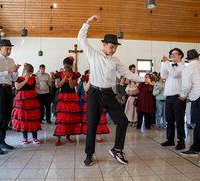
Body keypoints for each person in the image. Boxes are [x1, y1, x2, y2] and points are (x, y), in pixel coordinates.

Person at [78, 15, 152, 166]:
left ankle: (117, 149)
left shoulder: (116, 61)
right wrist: (88, 22)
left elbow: (128, 74)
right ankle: (89, 153)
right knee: (92, 125)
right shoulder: (94, 55)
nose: (113, 50)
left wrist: (144, 79)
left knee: (122, 121)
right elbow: (81, 38)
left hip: (108, 94)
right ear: (103, 45)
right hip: (94, 93)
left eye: (115, 47)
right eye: (111, 47)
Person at [0, 39, 20, 155]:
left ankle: (2, 142)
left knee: (6, 116)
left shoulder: (11, 60)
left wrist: (16, 71)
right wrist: (8, 71)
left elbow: (14, 79)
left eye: (10, 48)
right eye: (7, 48)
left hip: (8, 88)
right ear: (0, 48)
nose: (9, 50)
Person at [160, 48, 186, 150]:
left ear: (180, 55)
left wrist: (167, 63)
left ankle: (181, 141)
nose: (172, 55)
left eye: (174, 54)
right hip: (169, 97)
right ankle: (170, 139)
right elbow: (163, 75)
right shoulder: (170, 66)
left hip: (178, 97)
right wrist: (164, 64)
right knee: (169, 120)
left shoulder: (183, 67)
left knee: (179, 121)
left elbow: (175, 75)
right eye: (171, 54)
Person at [53, 57, 81, 146]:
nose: (66, 66)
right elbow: (57, 85)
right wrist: (65, 77)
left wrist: (70, 78)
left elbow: (73, 86)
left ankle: (68, 137)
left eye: (68, 65)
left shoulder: (75, 74)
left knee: (70, 118)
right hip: (63, 97)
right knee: (61, 118)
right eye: (65, 64)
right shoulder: (58, 74)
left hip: (72, 96)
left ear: (71, 65)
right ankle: (58, 138)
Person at [12, 63, 41, 144]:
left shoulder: (33, 78)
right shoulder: (19, 78)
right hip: (22, 100)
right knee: (23, 118)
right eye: (28, 72)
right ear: (24, 71)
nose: (29, 74)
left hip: (32, 100)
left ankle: (35, 137)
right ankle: (25, 138)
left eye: (31, 72)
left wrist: (37, 81)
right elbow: (17, 87)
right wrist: (25, 80)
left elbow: (38, 88)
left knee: (33, 118)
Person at [81, 73, 110, 142]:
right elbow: (85, 89)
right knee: (90, 118)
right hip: (89, 98)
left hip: (98, 97)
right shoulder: (85, 78)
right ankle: (91, 135)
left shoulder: (99, 75)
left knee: (99, 117)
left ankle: (98, 135)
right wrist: (90, 79)